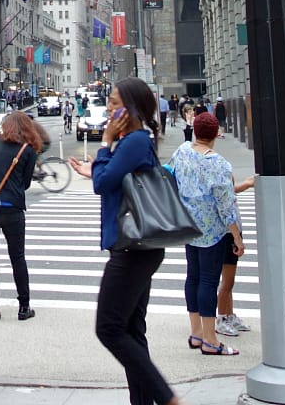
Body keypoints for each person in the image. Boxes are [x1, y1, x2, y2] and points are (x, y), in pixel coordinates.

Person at [68, 77, 181, 405]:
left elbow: (103, 184)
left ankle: (168, 398)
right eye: (110, 102)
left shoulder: (133, 141)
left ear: (131, 109)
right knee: (132, 330)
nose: (109, 108)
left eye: (115, 103)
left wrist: (103, 144)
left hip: (133, 248)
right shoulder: (135, 141)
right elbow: (115, 179)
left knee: (110, 328)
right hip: (139, 247)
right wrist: (99, 167)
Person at [170, 112, 243, 356]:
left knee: (193, 277)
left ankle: (196, 333)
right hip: (211, 229)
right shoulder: (220, 164)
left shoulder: (182, 152)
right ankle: (211, 340)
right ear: (215, 135)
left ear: (194, 131)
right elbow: (226, 204)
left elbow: (172, 178)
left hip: (188, 225)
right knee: (209, 281)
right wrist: (236, 235)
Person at [0, 110, 45, 322]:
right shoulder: (28, 150)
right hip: (11, 207)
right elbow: (25, 183)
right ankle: (24, 307)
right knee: (17, 258)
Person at [215, 173, 256, 337]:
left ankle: (229, 315)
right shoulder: (224, 199)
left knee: (228, 282)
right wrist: (237, 238)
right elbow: (227, 215)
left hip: (229, 236)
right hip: (228, 237)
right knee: (227, 282)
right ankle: (222, 318)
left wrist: (247, 183)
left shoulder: (227, 194)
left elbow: (234, 190)